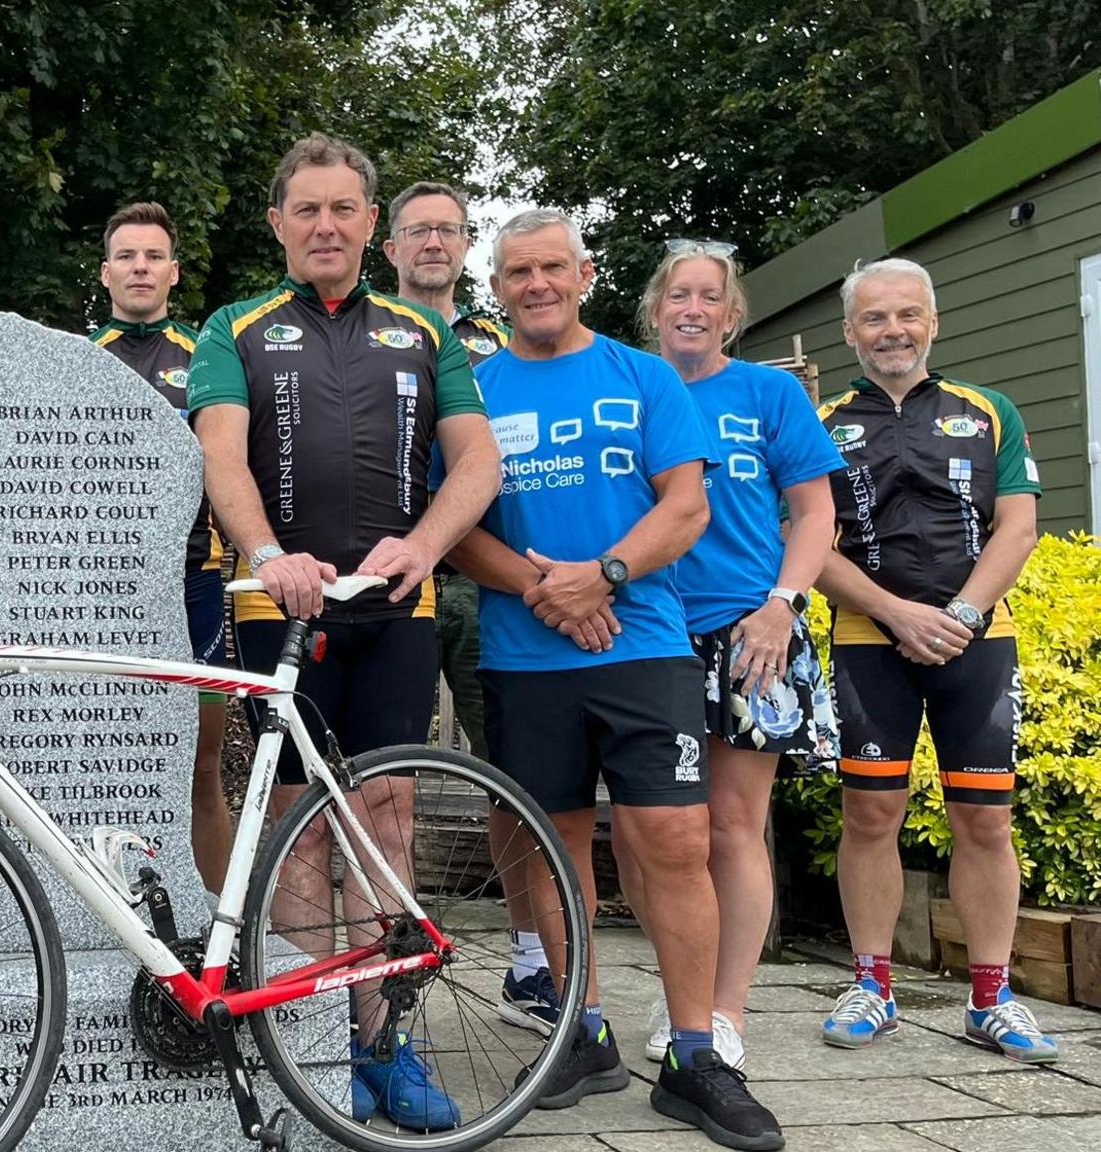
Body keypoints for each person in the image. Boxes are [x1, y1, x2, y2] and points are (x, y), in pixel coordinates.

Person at [440, 208, 780, 1149]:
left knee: (676, 840)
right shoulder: (472, 389)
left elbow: (687, 505)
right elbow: (456, 527)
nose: (537, 284)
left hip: (646, 647)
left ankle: (696, 1054)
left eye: (553, 267)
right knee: (555, 847)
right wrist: (550, 590)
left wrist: (608, 576)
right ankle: (579, 1033)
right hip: (526, 654)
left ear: (585, 273)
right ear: (496, 287)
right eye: (517, 272)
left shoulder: (643, 376)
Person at [187, 133, 500, 1132]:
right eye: (304, 210)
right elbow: (219, 456)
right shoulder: (232, 326)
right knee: (295, 829)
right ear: (277, 223)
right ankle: (308, 1040)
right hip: (276, 606)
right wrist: (264, 550)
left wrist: (426, 543)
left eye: (342, 210)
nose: (324, 226)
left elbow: (475, 461)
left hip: (392, 606)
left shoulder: (419, 329)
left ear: (371, 224)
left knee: (388, 818)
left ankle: (381, 1043)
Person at [814, 258, 1056, 1062]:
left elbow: (1015, 530)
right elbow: (810, 541)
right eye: (875, 319)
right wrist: (892, 613)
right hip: (866, 638)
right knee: (869, 814)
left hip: (974, 639)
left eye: (908, 315)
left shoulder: (991, 410)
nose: (893, 331)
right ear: (851, 332)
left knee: (984, 819)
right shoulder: (821, 417)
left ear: (934, 321)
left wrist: (956, 615)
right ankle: (872, 986)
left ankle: (992, 998)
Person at [630, 239, 844, 1070]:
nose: (692, 308)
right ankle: (679, 987)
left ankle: (725, 1012)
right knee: (655, 834)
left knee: (732, 828)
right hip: (645, 631)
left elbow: (815, 514)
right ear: (655, 310)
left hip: (749, 631)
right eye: (677, 294)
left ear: (732, 313)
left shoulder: (769, 392)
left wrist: (781, 606)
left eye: (708, 296)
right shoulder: (630, 385)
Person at [380, 179, 558, 1036]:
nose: (432, 245)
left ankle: (530, 960)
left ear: (466, 248)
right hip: (395, 581)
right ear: (392, 247)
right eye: (416, 231)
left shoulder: (502, 343)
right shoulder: (363, 330)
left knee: (508, 769)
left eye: (448, 231)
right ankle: (386, 955)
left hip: (490, 578)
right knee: (390, 783)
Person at [88, 200, 233, 894]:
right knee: (103, 762)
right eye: (127, 256)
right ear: (106, 271)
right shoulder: (75, 361)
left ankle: (222, 933)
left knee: (202, 767)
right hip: (105, 588)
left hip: (194, 584)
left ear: (173, 272)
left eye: (153, 257)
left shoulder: (209, 356)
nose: (139, 267)